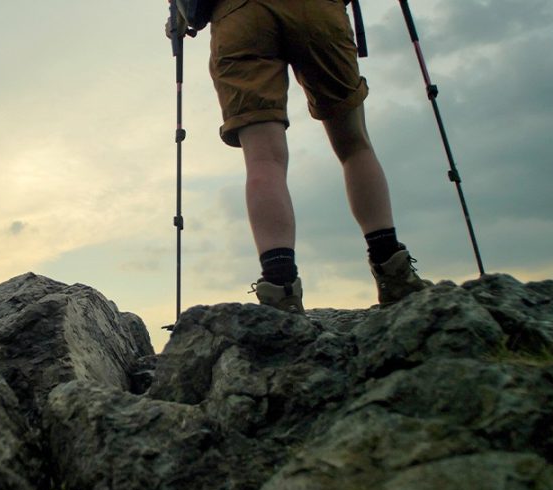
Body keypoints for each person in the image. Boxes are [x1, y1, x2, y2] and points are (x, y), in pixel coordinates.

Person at [171, 0, 431, 313]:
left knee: (264, 159)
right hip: (317, 9)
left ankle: (280, 288)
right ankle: (393, 270)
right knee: (354, 145)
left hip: (238, 15)